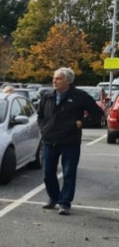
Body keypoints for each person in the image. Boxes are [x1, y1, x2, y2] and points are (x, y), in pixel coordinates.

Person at [37, 67, 98, 216]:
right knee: (48, 173)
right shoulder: (47, 96)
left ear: (68, 81)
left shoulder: (79, 96)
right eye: (54, 77)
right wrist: (43, 128)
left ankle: (64, 203)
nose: (54, 81)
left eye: (58, 78)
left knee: (69, 173)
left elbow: (96, 113)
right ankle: (53, 197)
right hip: (49, 140)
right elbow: (40, 115)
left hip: (70, 141)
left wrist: (81, 123)